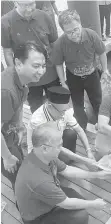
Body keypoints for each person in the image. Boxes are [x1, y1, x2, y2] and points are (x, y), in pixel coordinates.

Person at [15, 122, 111, 224]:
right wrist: (93, 204)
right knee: (81, 217)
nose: (61, 148)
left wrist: (96, 175)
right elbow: (67, 204)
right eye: (59, 145)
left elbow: (67, 170)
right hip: (35, 218)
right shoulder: (38, 179)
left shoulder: (43, 157)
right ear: (45, 148)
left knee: (79, 201)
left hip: (40, 201)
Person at [52, 9, 109, 130]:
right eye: (69, 32)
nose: (74, 34)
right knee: (77, 104)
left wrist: (105, 70)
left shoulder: (91, 35)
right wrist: (63, 82)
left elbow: (102, 52)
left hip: (92, 75)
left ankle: (102, 125)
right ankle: (81, 127)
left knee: (97, 100)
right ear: (63, 31)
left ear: (80, 24)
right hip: (73, 77)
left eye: (76, 29)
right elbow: (58, 64)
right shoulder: (59, 44)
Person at [1, 41, 47, 190]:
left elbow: (19, 104)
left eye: (43, 66)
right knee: (19, 180)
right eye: (36, 66)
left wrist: (20, 125)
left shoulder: (20, 78)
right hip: (3, 144)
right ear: (18, 63)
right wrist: (7, 157)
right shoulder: (6, 92)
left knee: (21, 168)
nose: (41, 71)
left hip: (9, 134)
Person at [1, 0, 59, 113]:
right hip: (28, 78)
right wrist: (16, 77)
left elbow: (54, 45)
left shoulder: (45, 16)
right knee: (36, 109)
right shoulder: (5, 22)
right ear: (15, 2)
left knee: (57, 106)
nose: (29, 9)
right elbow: (7, 52)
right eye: (24, 5)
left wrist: (60, 71)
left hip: (50, 72)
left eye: (32, 4)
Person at [27, 86, 98, 167]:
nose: (63, 115)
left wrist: (88, 151)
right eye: (61, 112)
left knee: (70, 134)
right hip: (42, 150)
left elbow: (79, 130)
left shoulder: (64, 111)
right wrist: (84, 160)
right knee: (52, 167)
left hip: (55, 143)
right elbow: (55, 147)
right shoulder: (37, 121)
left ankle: (67, 161)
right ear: (49, 106)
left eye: (65, 110)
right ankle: (61, 164)